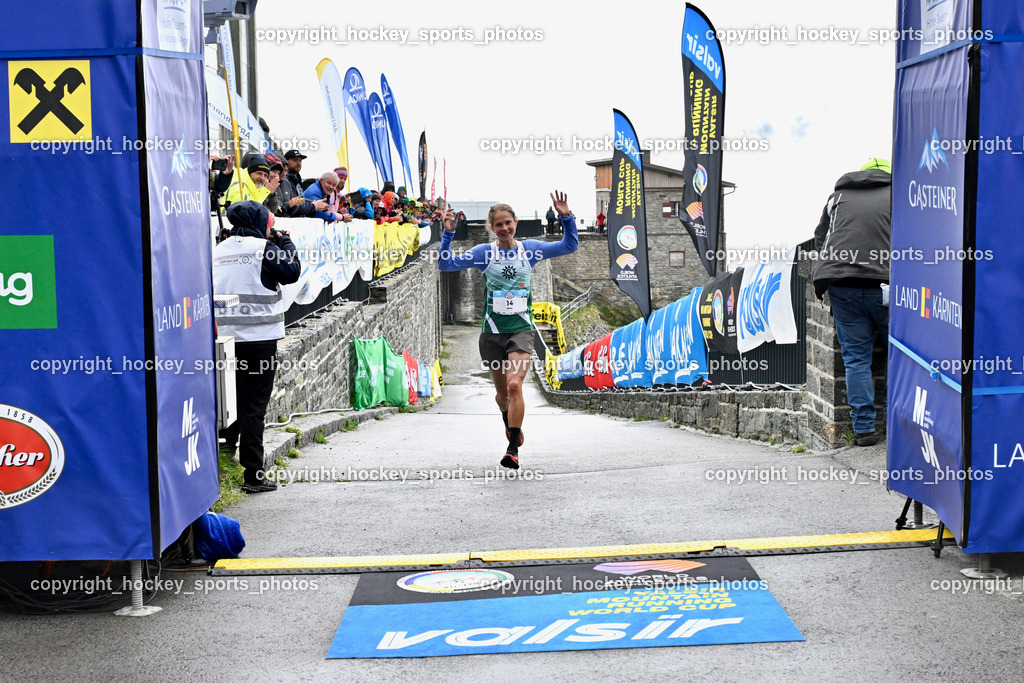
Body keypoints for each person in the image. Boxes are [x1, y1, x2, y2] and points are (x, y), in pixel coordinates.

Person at [438, 192, 578, 469]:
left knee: (515, 386)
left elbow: (569, 245)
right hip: (491, 332)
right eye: (498, 225)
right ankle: (509, 422)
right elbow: (445, 263)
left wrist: (566, 216)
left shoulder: (531, 250)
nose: (504, 229)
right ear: (492, 228)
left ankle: (512, 448)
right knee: (502, 395)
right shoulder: (484, 253)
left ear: (516, 222)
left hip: (522, 330)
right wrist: (448, 235)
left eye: (508, 223)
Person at [214, 201, 301, 492]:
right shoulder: (262, 248)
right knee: (253, 408)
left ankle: (223, 463)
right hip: (259, 342)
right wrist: (285, 240)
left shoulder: (218, 250)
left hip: (223, 342)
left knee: (227, 404)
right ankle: (253, 475)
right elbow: (291, 272)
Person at [811, 157, 892, 447]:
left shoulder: (838, 197)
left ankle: (864, 429)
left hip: (840, 283)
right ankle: (895, 426)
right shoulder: (899, 194)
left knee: (856, 359)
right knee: (897, 354)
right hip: (885, 284)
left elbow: (821, 239)